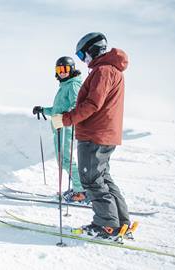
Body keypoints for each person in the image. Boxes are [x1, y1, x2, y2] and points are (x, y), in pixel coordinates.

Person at [50, 32, 131, 239]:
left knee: (92, 180)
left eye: (82, 55)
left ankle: (106, 225)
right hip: (104, 133)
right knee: (103, 178)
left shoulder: (103, 71)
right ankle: (120, 221)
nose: (83, 60)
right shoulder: (112, 71)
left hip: (95, 134)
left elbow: (92, 104)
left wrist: (66, 119)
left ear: (93, 50)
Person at [32, 56, 87, 203]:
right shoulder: (65, 85)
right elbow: (58, 109)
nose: (62, 72)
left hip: (65, 127)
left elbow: (76, 106)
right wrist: (43, 110)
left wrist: (64, 117)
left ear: (72, 69)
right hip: (59, 126)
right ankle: (78, 187)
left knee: (66, 160)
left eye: (65, 69)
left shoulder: (73, 85)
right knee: (63, 159)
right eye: (59, 69)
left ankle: (81, 191)